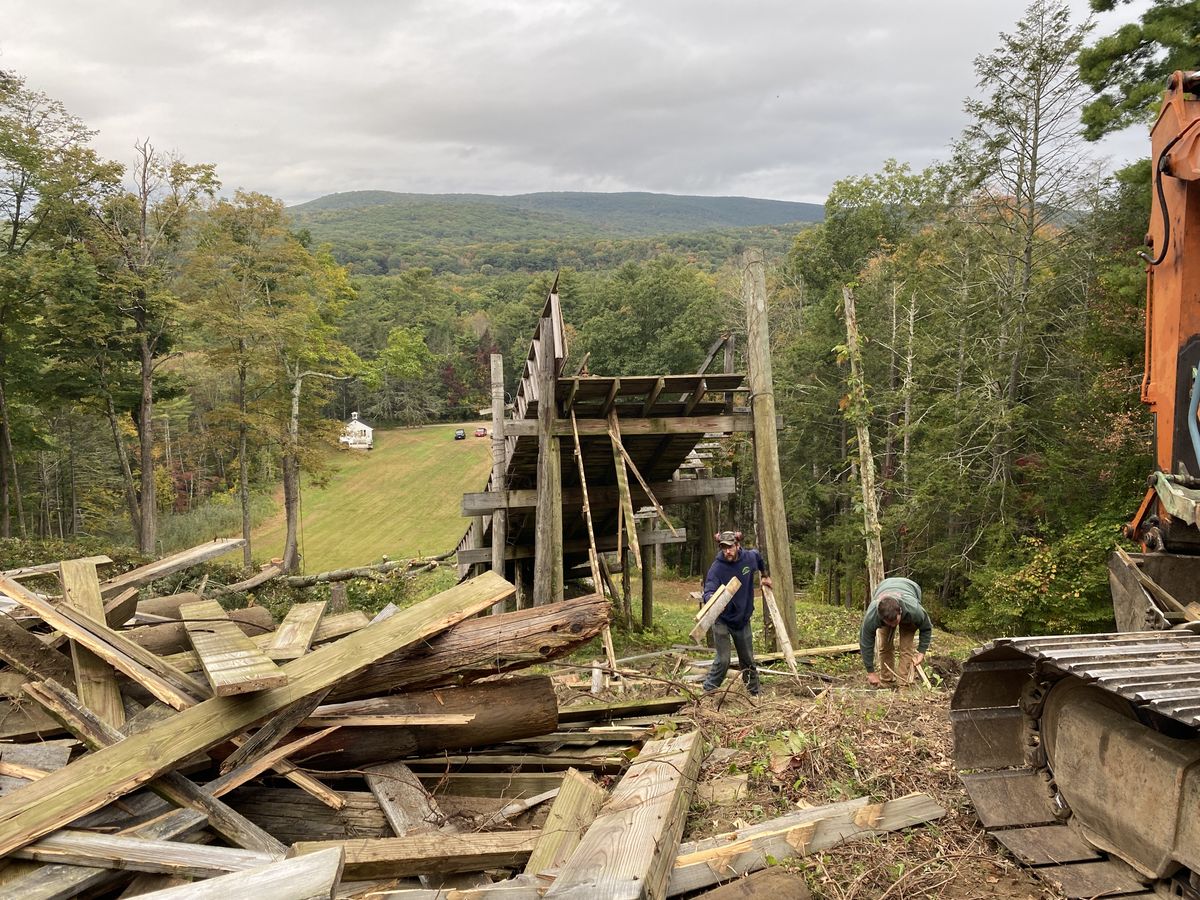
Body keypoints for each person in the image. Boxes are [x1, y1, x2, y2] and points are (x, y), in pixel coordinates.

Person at [701, 530, 771, 696]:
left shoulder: (749, 558)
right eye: (723, 548)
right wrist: (712, 599)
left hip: (742, 618)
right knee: (723, 659)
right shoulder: (717, 567)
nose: (727, 552)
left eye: (730, 547)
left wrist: (765, 576)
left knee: (747, 659)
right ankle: (708, 691)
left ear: (737, 545)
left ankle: (754, 692)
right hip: (722, 619)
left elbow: (759, 558)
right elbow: (709, 588)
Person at [860, 576, 932, 687]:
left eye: (895, 621)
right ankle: (886, 680)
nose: (894, 625)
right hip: (883, 587)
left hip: (910, 590)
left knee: (906, 648)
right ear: (881, 617)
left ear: (900, 611)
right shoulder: (873, 615)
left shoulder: (914, 610)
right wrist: (870, 672)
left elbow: (926, 627)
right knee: (884, 646)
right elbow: (866, 642)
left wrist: (921, 651)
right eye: (890, 623)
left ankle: (904, 683)